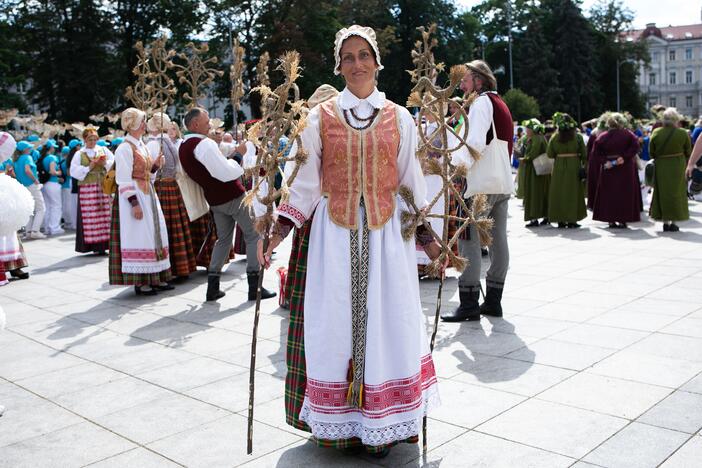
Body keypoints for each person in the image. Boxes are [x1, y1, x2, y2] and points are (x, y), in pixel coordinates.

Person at [260, 26, 441, 457]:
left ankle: (385, 424)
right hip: (333, 241)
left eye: (364, 55)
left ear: (377, 62)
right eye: (348, 57)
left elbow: (411, 183)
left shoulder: (400, 117)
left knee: (388, 321)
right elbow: (302, 184)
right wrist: (278, 232)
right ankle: (339, 428)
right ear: (338, 65)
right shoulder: (319, 118)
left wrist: (430, 240)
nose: (356, 64)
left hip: (386, 241)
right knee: (334, 324)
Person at [442, 59, 514, 322]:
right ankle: (493, 300)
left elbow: (474, 143)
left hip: (478, 183)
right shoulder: (501, 103)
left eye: (465, 79)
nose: (461, 84)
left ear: (479, 81)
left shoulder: (482, 102)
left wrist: (457, 169)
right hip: (500, 180)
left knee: (468, 240)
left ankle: (469, 303)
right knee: (497, 239)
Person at [179, 107, 275, 302]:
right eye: (207, 122)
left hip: (214, 199)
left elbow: (211, 167)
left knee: (223, 240)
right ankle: (254, 286)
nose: (210, 125)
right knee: (253, 235)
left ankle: (213, 287)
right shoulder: (203, 144)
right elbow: (224, 172)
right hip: (231, 194)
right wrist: (239, 155)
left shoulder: (184, 144)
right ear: (195, 124)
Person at [109, 108, 173, 295]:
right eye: (142, 121)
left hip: (148, 194)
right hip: (135, 196)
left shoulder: (142, 145)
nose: (145, 125)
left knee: (155, 233)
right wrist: (134, 204)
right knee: (140, 236)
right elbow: (123, 179)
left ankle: (156, 277)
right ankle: (141, 281)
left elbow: (147, 175)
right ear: (133, 124)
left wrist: (154, 166)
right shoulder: (124, 148)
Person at [145, 113, 197, 282]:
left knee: (166, 227)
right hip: (172, 186)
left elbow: (150, 170)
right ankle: (181, 267)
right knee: (176, 227)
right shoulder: (168, 141)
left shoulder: (155, 143)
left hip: (161, 187)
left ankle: (172, 268)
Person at [590, 112, 641, 228]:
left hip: (609, 168)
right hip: (625, 167)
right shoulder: (628, 134)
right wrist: (624, 157)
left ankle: (610, 220)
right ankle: (623, 219)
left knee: (609, 194)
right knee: (624, 193)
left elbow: (596, 152)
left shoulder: (602, 136)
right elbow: (636, 146)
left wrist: (605, 161)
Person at [70, 127, 114, 254]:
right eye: (90, 139)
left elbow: (114, 162)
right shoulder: (80, 154)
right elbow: (73, 171)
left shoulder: (103, 150)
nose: (93, 142)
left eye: (95, 139)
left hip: (102, 185)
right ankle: (93, 246)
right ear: (84, 139)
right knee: (91, 216)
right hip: (87, 188)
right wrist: (89, 166)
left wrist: (105, 163)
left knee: (105, 215)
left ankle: (105, 244)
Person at [649, 108, 692, 232]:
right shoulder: (683, 133)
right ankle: (674, 222)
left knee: (662, 193)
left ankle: (665, 222)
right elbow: (688, 151)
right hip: (678, 165)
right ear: (676, 119)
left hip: (661, 165)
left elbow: (651, 152)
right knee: (677, 193)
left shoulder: (656, 132)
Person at [0, 132, 32, 281]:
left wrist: (7, 174)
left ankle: (15, 266)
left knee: (11, 230)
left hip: (5, 197)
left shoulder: (4, 159)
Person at [546, 112, 587, 228]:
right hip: (574, 166)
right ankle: (572, 220)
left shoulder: (555, 137)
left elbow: (549, 154)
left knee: (559, 193)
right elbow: (584, 154)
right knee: (573, 193)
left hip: (559, 167)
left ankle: (560, 220)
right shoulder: (577, 137)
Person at [13, 141, 46, 239]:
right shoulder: (27, 157)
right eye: (29, 148)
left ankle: (28, 232)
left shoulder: (16, 160)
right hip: (31, 185)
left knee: (29, 209)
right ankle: (35, 231)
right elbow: (27, 170)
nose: (30, 149)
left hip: (22, 186)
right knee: (41, 208)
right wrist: (36, 181)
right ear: (25, 150)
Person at [520, 119, 550, 227]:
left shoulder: (536, 139)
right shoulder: (541, 137)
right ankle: (546, 216)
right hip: (541, 170)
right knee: (542, 193)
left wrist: (525, 159)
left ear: (533, 130)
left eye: (528, 129)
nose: (526, 131)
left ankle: (534, 218)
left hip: (534, 171)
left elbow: (533, 154)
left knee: (533, 194)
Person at [40, 139, 64, 235]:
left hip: (45, 184)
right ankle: (54, 228)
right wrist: (59, 173)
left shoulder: (44, 158)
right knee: (56, 206)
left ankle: (47, 228)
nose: (54, 149)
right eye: (53, 147)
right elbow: (52, 171)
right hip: (53, 184)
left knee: (48, 206)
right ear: (51, 148)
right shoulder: (52, 158)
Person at [58, 146, 76, 230]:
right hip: (68, 184)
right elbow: (69, 173)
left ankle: (66, 221)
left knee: (65, 204)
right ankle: (69, 221)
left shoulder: (61, 161)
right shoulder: (67, 162)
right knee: (69, 204)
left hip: (63, 185)